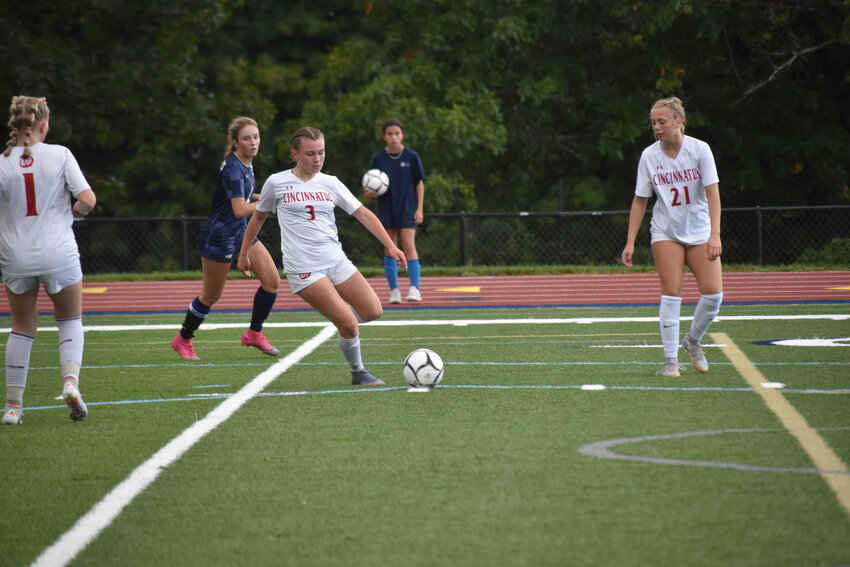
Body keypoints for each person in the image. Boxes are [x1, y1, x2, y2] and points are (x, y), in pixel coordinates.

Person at [238, 126, 406, 386]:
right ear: (295, 154)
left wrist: (391, 246)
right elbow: (257, 218)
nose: (317, 159)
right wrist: (244, 252)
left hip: (336, 261)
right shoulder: (276, 182)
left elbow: (363, 214)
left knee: (373, 311)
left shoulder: (331, 183)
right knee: (350, 325)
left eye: (321, 152)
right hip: (304, 268)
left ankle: (341, 317)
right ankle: (358, 372)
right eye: (309, 154)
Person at [1, 96, 96, 424]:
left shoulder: (1, 162)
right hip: (59, 252)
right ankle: (70, 383)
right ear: (43, 124)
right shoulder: (60, 154)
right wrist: (73, 211)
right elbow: (87, 200)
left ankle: (13, 407)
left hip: (15, 256)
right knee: (69, 320)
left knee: (22, 328)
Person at [621, 96, 723, 377]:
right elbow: (640, 200)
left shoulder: (700, 150)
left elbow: (713, 193)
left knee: (713, 295)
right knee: (671, 292)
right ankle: (670, 362)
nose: (656, 127)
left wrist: (715, 234)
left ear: (678, 120)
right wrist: (630, 241)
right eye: (653, 122)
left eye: (662, 121)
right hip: (666, 231)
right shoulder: (649, 156)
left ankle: (692, 341)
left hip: (700, 230)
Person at [171, 117, 280, 361]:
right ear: (235, 142)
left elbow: (247, 193)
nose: (253, 142)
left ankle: (254, 333)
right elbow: (240, 209)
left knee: (272, 282)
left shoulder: (245, 164)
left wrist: (275, 194)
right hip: (220, 236)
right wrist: (270, 203)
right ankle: (183, 339)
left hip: (241, 232)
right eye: (246, 138)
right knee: (211, 295)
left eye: (256, 137)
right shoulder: (233, 168)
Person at [363, 118, 425, 304]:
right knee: (390, 247)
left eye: (397, 133)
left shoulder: (412, 157)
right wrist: (370, 194)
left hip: (407, 207)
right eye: (389, 134)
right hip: (386, 207)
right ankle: (394, 291)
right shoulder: (378, 159)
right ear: (384, 136)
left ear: (402, 135)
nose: (394, 137)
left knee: (408, 245)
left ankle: (414, 288)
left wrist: (419, 208)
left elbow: (419, 183)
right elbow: (371, 186)